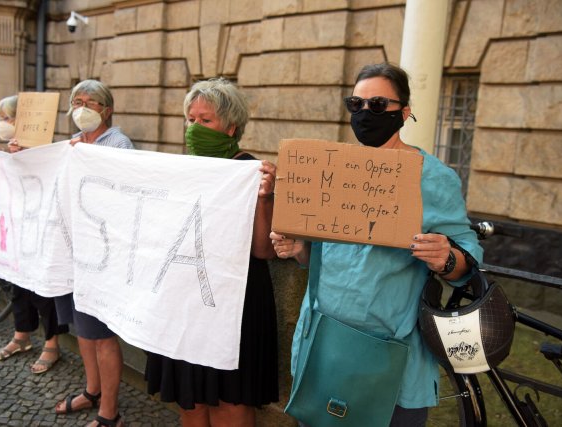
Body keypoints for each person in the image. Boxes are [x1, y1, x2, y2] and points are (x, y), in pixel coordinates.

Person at [270, 62, 484, 426]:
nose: (366, 114)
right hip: (323, 342)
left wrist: (446, 258)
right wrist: (300, 250)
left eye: (378, 105)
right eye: (356, 104)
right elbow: (326, 253)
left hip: (388, 352)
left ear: (404, 112)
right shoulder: (333, 168)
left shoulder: (432, 178)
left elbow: (468, 258)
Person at [144, 77, 279, 427]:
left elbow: (263, 250)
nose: (195, 128)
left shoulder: (251, 171)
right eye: (191, 120)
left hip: (236, 305)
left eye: (206, 120)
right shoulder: (183, 169)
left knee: (229, 402)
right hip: (187, 301)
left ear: (231, 126)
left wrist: (265, 198)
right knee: (192, 401)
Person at [48, 80, 133, 427]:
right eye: (77, 101)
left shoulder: (119, 145)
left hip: (103, 256)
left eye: (91, 102)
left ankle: (109, 411)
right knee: (83, 330)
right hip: (73, 252)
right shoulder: (71, 145)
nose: (82, 107)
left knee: (102, 335)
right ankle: (92, 389)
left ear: (107, 110)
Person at [0, 95, 69, 375]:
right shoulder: (12, 148)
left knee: (41, 288)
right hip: (19, 228)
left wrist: (27, 154)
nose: (3, 124)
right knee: (17, 284)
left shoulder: (46, 148)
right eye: (1, 118)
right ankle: (22, 336)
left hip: (42, 228)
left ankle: (52, 343)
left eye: (9, 118)